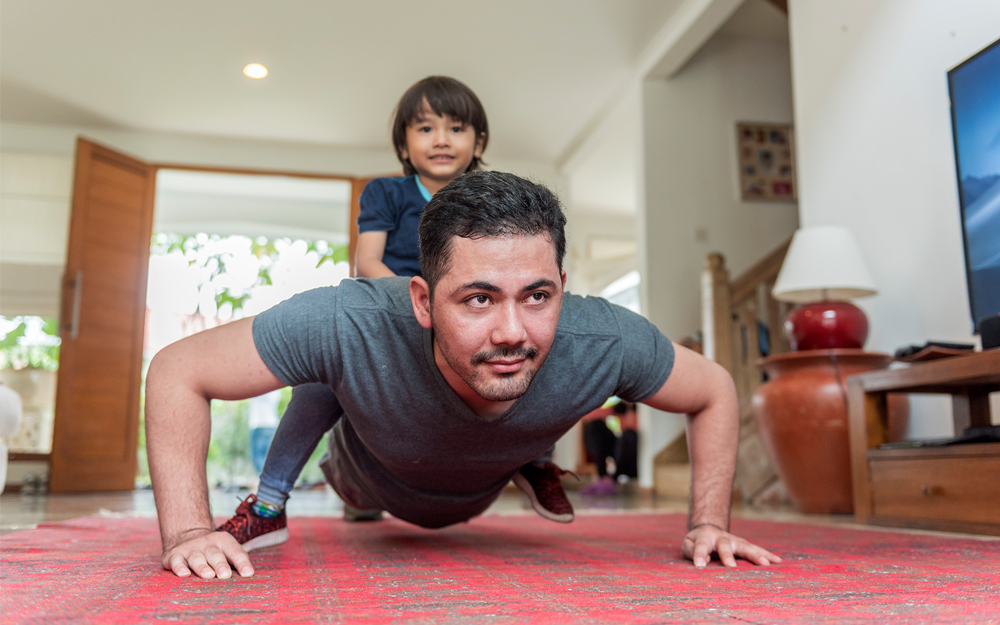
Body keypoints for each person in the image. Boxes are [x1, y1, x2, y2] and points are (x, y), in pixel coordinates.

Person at [146, 171, 781, 580]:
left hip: (480, 487)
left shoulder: (605, 337)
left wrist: (709, 522)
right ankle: (272, 502)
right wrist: (187, 532)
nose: (512, 330)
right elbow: (178, 369)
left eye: (537, 296)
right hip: (369, 482)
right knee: (328, 366)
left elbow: (715, 389)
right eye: (478, 299)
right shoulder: (348, 316)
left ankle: (531, 459)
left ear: (563, 285)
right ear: (422, 301)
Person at [239, 77, 571, 534]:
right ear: (403, 141)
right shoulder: (386, 194)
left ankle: (538, 463)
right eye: (425, 128)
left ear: (479, 141)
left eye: (456, 129)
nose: (440, 140)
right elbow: (367, 262)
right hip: (393, 309)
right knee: (317, 382)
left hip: (473, 317)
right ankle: (269, 501)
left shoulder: (495, 201)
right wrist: (422, 301)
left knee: (538, 349)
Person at [580, 401, 638, 496]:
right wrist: (613, 410)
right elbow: (587, 416)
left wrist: (632, 413)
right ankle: (603, 477)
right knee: (595, 425)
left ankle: (613, 479)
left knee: (629, 435)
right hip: (619, 450)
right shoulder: (621, 408)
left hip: (635, 456)